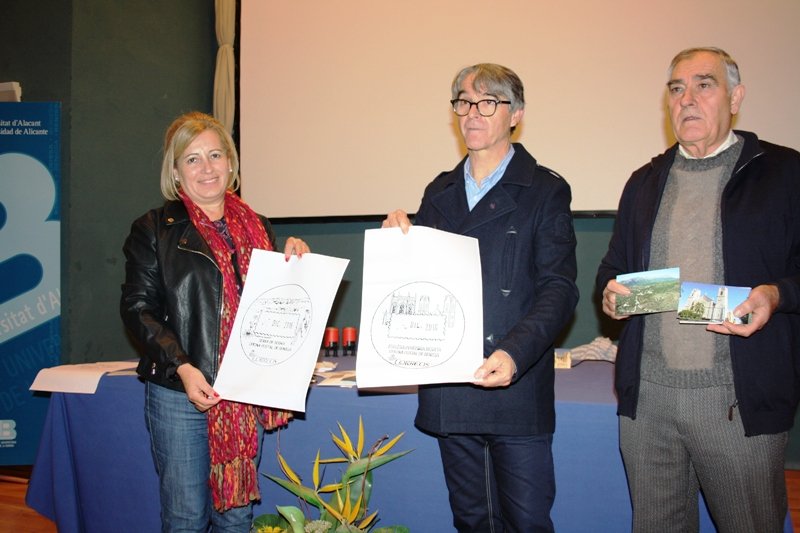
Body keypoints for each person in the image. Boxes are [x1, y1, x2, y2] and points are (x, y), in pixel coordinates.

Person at [597, 47, 800, 532]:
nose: (687, 99)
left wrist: (776, 295)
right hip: (648, 405)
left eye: (703, 85)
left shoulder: (785, 173)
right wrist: (608, 292)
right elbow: (614, 266)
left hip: (736, 404)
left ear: (735, 97)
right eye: (676, 88)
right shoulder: (644, 181)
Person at [383, 63, 579, 532]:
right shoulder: (439, 191)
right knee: (471, 520)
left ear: (516, 114)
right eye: (464, 102)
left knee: (526, 522)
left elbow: (559, 289)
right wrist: (400, 241)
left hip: (516, 382)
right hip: (451, 384)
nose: (473, 112)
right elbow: (426, 284)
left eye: (488, 101)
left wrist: (514, 353)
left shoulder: (546, 190)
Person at [120, 111, 310, 532]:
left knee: (236, 515)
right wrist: (183, 367)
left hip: (244, 390)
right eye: (192, 159)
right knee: (186, 517)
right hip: (180, 390)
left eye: (215, 155)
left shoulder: (258, 226)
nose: (207, 168)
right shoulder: (153, 228)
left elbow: (269, 304)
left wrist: (294, 265)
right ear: (174, 170)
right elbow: (138, 309)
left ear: (230, 162)